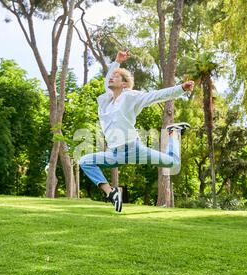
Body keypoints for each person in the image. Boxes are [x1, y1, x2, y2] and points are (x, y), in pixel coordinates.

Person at [79, 50, 194, 212]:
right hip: (114, 153)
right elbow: (107, 81)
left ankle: (174, 132)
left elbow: (156, 95)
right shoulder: (106, 101)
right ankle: (111, 193)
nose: (111, 77)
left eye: (116, 77)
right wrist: (117, 61)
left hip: (134, 149)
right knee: (84, 161)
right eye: (112, 76)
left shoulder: (131, 97)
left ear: (124, 84)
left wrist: (181, 88)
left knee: (173, 162)